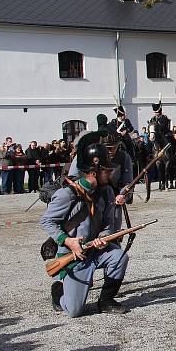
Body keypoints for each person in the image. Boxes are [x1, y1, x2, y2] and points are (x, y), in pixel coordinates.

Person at [40, 131, 129, 317]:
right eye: (107, 170)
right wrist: (67, 241)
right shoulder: (67, 194)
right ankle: (58, 291)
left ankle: (106, 300)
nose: (111, 173)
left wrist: (103, 238)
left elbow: (108, 224)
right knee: (74, 311)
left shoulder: (107, 193)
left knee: (119, 256)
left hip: (94, 250)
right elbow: (47, 221)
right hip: (74, 256)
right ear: (93, 172)